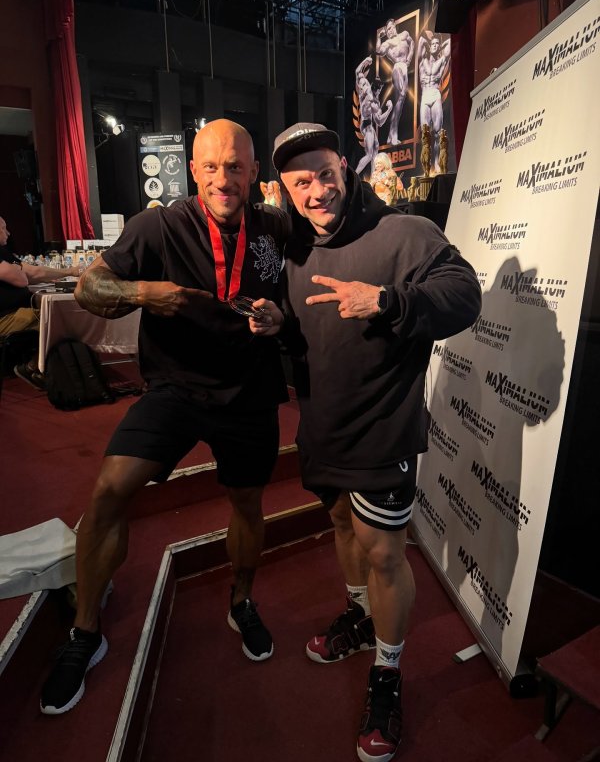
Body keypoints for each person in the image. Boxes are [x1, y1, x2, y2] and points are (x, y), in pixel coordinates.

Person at [39, 119, 289, 715]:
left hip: (249, 391)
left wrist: (280, 316)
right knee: (109, 491)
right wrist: (142, 294)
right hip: (175, 388)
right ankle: (85, 631)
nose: (223, 179)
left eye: (236, 167)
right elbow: (90, 287)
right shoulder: (157, 226)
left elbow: (297, 289)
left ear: (255, 172)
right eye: (212, 167)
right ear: (194, 171)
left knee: (247, 503)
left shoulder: (276, 227)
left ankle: (242, 601)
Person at [254, 123, 481, 762]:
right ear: (286, 188)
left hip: (384, 430)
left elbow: (465, 296)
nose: (317, 191)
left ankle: (387, 670)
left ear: (345, 167)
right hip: (322, 427)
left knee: (383, 552)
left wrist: (386, 299)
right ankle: (359, 616)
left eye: (326, 174)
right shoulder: (296, 248)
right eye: (301, 182)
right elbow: (309, 335)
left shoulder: (405, 232)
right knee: (341, 529)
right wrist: (279, 325)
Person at [0, 215, 79, 389]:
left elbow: (32, 273)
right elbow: (23, 279)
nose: (8, 233)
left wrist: (70, 272)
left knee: (53, 314)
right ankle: (32, 367)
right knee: (59, 320)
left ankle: (45, 366)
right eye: (3, 228)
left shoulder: (3, 253)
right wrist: (18, 272)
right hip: (5, 318)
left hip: (13, 312)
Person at [375, 19, 415, 146]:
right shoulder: (387, 43)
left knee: (400, 103)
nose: (389, 31)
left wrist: (409, 57)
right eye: (387, 30)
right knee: (402, 96)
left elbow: (412, 43)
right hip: (397, 68)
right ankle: (393, 136)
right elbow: (379, 51)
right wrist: (379, 37)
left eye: (390, 28)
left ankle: (391, 135)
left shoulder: (404, 34)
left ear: (394, 26)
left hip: (405, 67)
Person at [417, 31, 451, 173]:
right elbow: (420, 42)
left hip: (435, 94)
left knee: (437, 132)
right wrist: (428, 43)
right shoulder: (422, 61)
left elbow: (450, 44)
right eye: (433, 44)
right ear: (429, 46)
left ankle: (436, 161)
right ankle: (426, 165)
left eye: (437, 44)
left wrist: (441, 45)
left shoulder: (441, 61)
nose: (435, 46)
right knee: (425, 134)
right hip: (425, 96)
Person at [355, 56, 393, 179]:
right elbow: (357, 72)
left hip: (369, 125)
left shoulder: (375, 101)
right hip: (366, 125)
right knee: (370, 154)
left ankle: (373, 178)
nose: (379, 91)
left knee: (376, 148)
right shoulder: (366, 90)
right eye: (379, 88)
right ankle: (354, 175)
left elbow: (379, 121)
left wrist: (389, 109)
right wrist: (365, 61)